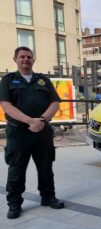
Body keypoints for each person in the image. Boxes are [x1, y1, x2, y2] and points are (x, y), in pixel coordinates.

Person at [0, 46, 64, 219]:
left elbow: (55, 103)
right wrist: (30, 121)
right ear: (15, 59)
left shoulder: (43, 80)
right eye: (22, 57)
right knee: (16, 169)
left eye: (29, 57)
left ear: (33, 60)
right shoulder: (8, 80)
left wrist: (41, 120)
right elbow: (6, 106)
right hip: (18, 132)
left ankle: (48, 197)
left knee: (46, 167)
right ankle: (14, 204)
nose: (26, 59)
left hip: (42, 132)